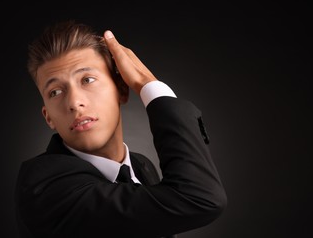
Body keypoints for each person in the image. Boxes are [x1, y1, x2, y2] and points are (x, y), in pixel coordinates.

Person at [14, 20, 227, 238]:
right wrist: (148, 85)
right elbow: (201, 198)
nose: (74, 102)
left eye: (87, 79)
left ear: (122, 90)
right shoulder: (45, 189)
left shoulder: (141, 167)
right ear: (48, 116)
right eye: (55, 92)